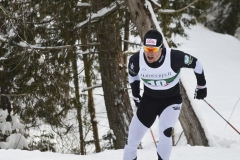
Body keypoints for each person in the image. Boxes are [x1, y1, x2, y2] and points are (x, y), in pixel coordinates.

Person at [123, 30, 207, 160]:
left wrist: (202, 86)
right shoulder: (136, 60)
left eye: (153, 49)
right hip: (149, 101)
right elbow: (133, 76)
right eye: (146, 48)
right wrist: (135, 95)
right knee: (131, 141)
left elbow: (197, 64)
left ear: (161, 47)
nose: (149, 53)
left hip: (171, 101)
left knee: (165, 132)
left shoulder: (174, 57)